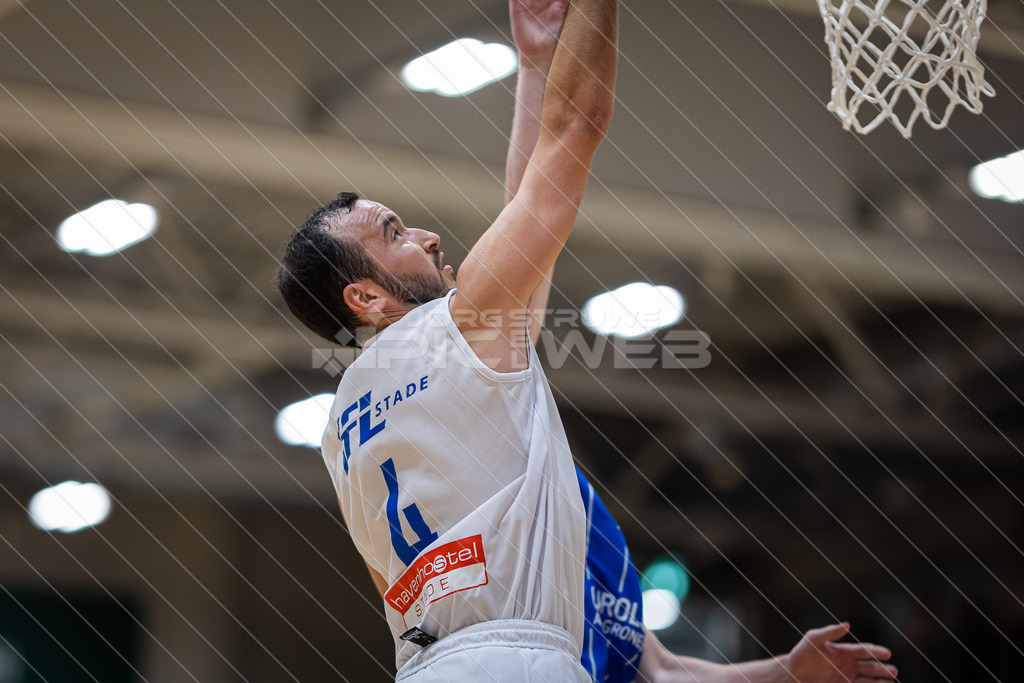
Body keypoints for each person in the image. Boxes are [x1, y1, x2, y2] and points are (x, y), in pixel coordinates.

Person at [496, 5, 897, 680]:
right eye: (397, 233)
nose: (430, 240)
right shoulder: (478, 432)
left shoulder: (579, 511)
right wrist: (538, 68)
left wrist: (785, 672)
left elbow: (660, 671)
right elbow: (534, 209)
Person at [278, 0, 617, 680]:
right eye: (395, 233)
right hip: (517, 660)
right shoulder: (462, 326)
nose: (428, 237)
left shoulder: (338, 432)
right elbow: (575, 127)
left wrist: (535, 64)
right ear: (367, 298)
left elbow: (389, 587)